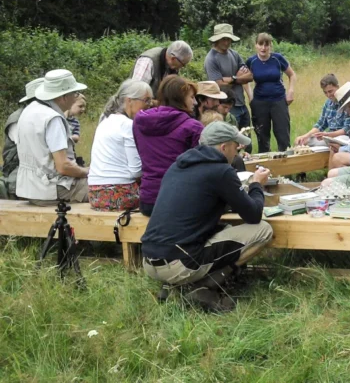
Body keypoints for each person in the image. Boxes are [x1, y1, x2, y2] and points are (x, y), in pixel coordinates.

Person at [141, 122, 274, 312]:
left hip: (149, 258)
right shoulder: (221, 171)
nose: (237, 151)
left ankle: (174, 287)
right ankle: (202, 286)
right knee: (263, 230)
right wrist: (256, 185)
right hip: (180, 263)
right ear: (224, 147)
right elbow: (253, 215)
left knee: (225, 229)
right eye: (236, 146)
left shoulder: (176, 166)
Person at [16, 70, 90, 205]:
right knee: (107, 189)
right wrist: (87, 171)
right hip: (51, 189)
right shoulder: (53, 118)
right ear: (63, 97)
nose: (76, 97)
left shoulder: (29, 110)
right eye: (74, 93)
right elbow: (63, 167)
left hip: (28, 189)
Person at [133, 75, 204, 216]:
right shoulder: (193, 127)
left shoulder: (139, 122)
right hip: (179, 200)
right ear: (180, 98)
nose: (195, 102)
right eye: (191, 97)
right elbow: (202, 167)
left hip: (148, 200)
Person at [87, 80, 152, 211]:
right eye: (146, 100)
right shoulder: (127, 125)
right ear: (129, 100)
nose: (149, 105)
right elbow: (136, 171)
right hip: (119, 194)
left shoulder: (105, 121)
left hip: (95, 194)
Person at [203, 24, 253, 144]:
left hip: (241, 104)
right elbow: (219, 85)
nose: (227, 42)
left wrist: (231, 79)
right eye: (224, 39)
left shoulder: (234, 54)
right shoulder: (211, 58)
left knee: (246, 142)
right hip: (225, 106)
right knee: (230, 143)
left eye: (229, 39)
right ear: (217, 39)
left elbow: (250, 76)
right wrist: (237, 77)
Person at [247, 33, 297, 153]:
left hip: (279, 100)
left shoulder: (277, 59)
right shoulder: (251, 61)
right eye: (260, 44)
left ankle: (286, 161)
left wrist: (291, 91)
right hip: (259, 102)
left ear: (270, 46)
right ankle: (265, 162)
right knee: (262, 136)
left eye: (266, 45)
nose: (263, 48)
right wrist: (250, 96)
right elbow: (244, 79)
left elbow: (292, 75)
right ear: (256, 45)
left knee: (283, 134)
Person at [3, 77, 45, 199]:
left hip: (37, 167)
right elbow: (33, 148)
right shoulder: (18, 119)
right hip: (19, 167)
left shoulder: (41, 115)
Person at [294, 74, 350, 147]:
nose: (328, 95)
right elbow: (321, 124)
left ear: (337, 87)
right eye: (325, 92)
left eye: (330, 91)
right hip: (329, 136)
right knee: (304, 141)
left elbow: (348, 129)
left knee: (334, 142)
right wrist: (305, 136)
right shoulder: (328, 103)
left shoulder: (348, 102)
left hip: (343, 137)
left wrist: (328, 135)